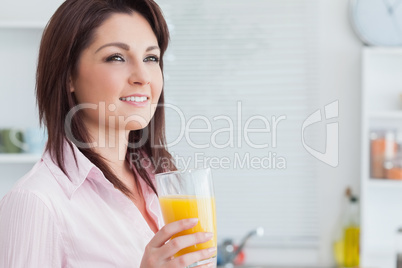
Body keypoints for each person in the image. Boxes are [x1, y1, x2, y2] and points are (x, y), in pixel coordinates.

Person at [0, 0, 216, 267]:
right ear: (68, 75)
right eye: (116, 57)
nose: (143, 76)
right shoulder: (36, 202)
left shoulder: (158, 180)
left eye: (151, 58)